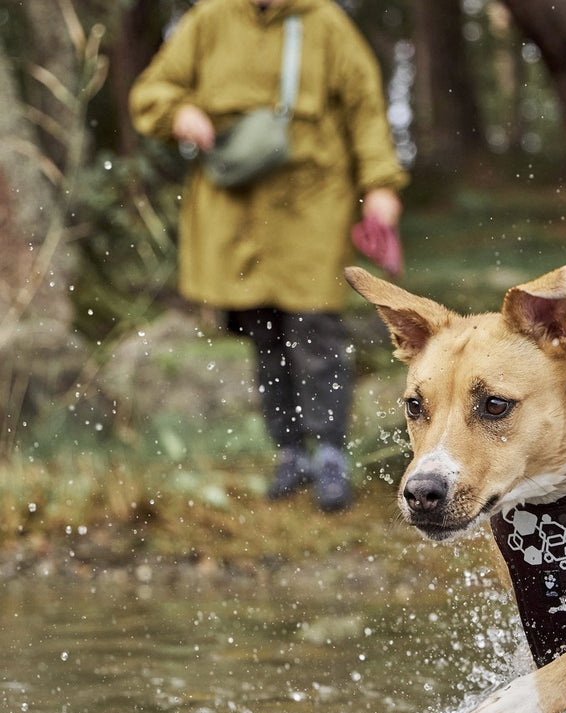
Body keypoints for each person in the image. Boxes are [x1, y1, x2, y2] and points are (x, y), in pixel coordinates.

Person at [129, 0, 407, 511]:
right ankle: (289, 452)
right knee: (263, 332)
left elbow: (365, 108)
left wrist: (381, 184)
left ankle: (329, 453)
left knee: (315, 327)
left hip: (311, 203)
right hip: (234, 210)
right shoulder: (207, 22)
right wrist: (180, 111)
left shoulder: (326, 24)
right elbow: (151, 91)